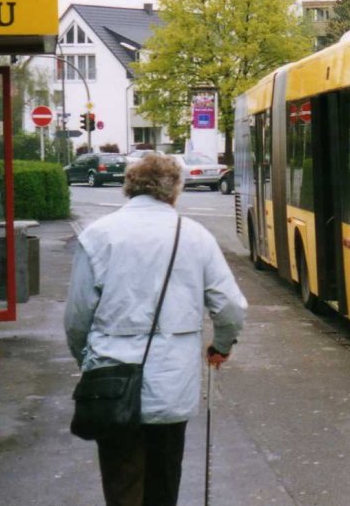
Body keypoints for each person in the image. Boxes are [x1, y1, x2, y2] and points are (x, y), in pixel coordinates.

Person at [64, 153, 248, 506]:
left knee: (122, 481)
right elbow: (230, 306)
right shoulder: (195, 237)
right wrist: (221, 346)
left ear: (128, 188)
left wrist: (88, 362)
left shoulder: (98, 236)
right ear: (174, 191)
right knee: (164, 480)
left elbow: (76, 319)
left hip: (111, 379)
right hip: (171, 383)